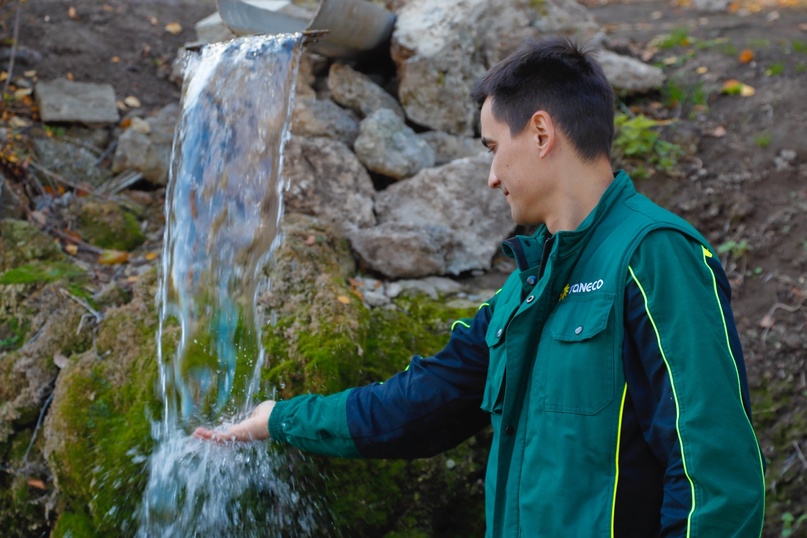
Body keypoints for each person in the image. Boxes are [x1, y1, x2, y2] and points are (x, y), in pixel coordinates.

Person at [195, 36, 766, 536]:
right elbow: (418, 404)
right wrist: (281, 419)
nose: (491, 176)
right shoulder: (525, 291)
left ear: (541, 132)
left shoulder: (656, 257)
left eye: (493, 148)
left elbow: (716, 480)